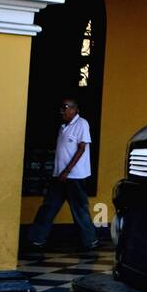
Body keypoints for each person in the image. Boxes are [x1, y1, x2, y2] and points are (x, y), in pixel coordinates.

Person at [27, 97, 98, 250]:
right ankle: (36, 239)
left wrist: (67, 170)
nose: (62, 111)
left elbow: (81, 148)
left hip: (75, 176)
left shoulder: (82, 124)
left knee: (79, 209)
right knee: (48, 207)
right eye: (61, 107)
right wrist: (60, 172)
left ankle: (90, 241)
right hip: (59, 176)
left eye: (65, 107)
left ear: (75, 109)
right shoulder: (63, 126)